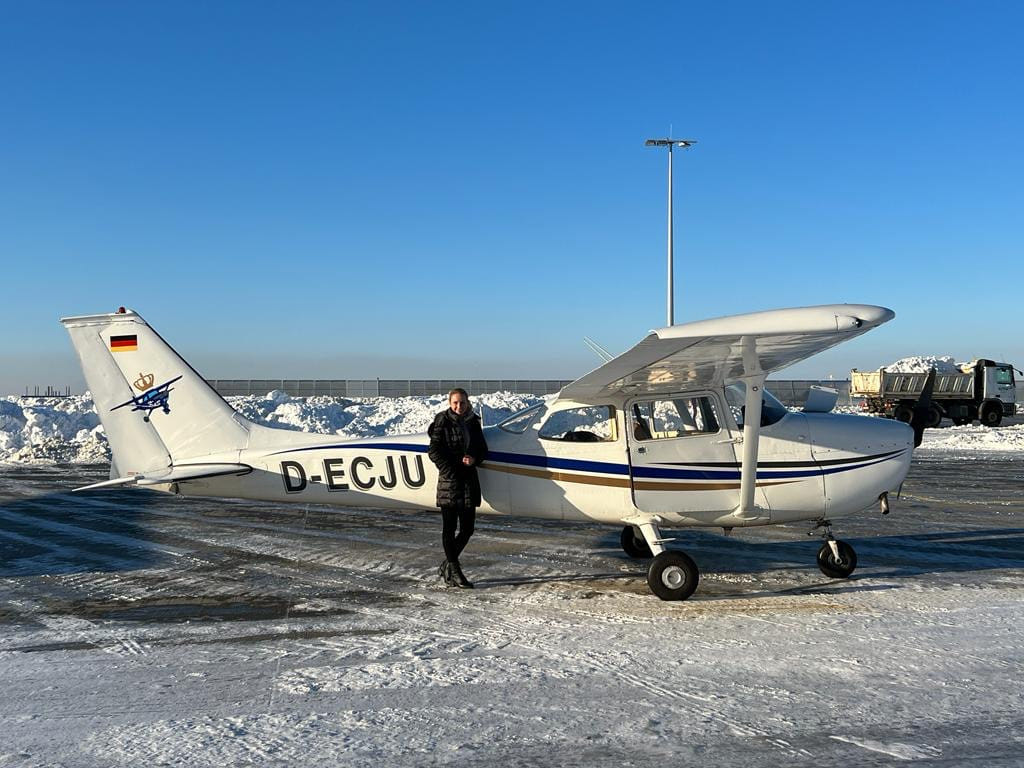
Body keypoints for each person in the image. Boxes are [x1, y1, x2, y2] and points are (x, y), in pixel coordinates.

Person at [427, 387, 488, 588]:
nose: (458, 406)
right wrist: (451, 469)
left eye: (462, 402)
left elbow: (482, 449)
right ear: (449, 403)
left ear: (467, 403)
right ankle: (456, 571)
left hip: (469, 480)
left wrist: (474, 459)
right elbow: (434, 451)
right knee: (449, 528)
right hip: (450, 482)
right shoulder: (442, 421)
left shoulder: (473, 422)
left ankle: (448, 565)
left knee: (468, 528)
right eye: (455, 403)